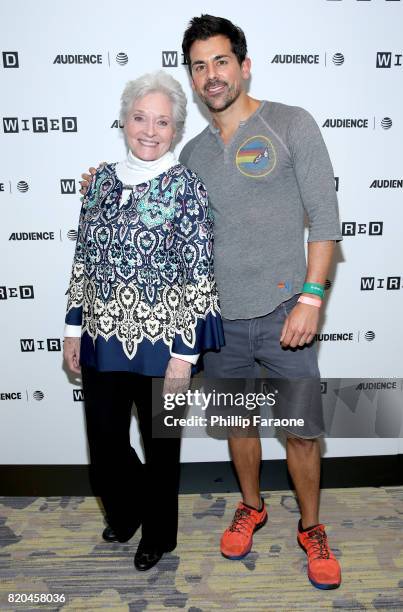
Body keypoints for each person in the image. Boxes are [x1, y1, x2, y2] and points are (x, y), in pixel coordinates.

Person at [80, 15, 343, 590]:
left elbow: (324, 218)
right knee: (238, 426)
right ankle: (250, 507)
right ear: (192, 79)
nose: (211, 75)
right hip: (219, 325)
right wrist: (101, 177)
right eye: (199, 66)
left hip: (284, 315)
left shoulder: (291, 124)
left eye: (221, 61)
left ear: (244, 66)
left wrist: (312, 298)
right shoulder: (192, 154)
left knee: (299, 431)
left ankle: (313, 526)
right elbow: (147, 188)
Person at [63, 70, 224, 572]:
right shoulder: (100, 182)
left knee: (161, 452)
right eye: (139, 118)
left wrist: (185, 355)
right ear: (124, 121)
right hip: (102, 339)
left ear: (176, 130)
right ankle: (130, 510)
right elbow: (83, 258)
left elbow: (199, 274)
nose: (149, 130)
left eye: (162, 122)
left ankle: (159, 534)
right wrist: (73, 327)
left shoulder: (187, 188)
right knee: (106, 448)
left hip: (165, 347)